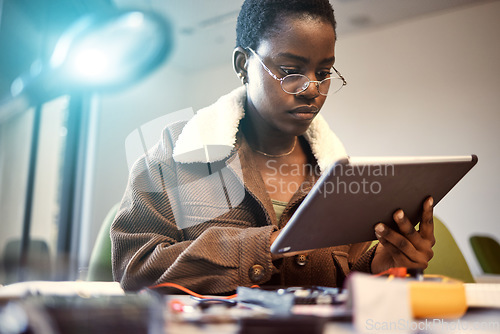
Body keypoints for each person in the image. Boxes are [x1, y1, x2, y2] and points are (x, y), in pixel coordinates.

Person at [111, 0, 435, 293]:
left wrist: (380, 266)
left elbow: (338, 283)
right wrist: (266, 247)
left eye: (323, 73)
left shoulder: (340, 176)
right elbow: (134, 266)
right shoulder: (178, 151)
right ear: (242, 65)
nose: (312, 90)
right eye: (290, 71)